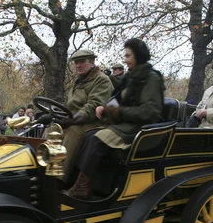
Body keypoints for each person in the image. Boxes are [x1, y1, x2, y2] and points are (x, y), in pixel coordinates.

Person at [67, 38, 164, 200]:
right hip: (125, 123)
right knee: (89, 134)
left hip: (141, 128)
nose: (125, 60)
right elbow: (118, 99)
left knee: (97, 138)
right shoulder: (132, 77)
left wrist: (119, 112)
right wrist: (104, 108)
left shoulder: (151, 78)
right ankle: (80, 182)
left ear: (138, 56)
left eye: (128, 56)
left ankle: (82, 187)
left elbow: (150, 112)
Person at [56, 49, 113, 185]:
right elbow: (69, 106)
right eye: (76, 63)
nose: (78, 66)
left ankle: (59, 180)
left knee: (72, 131)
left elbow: (93, 107)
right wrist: (58, 116)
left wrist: (72, 120)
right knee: (53, 129)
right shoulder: (79, 81)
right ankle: (44, 169)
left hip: (96, 123)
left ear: (92, 62)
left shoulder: (101, 80)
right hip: (78, 120)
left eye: (81, 62)